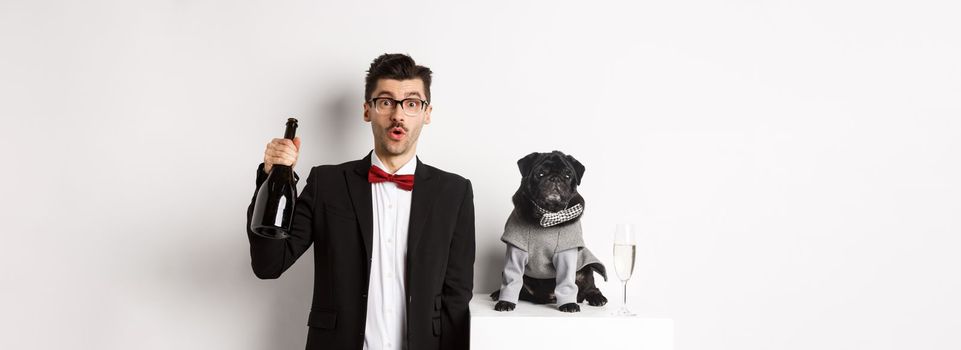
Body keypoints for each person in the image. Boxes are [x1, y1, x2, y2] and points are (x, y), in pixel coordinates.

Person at [246, 53, 475, 350]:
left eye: (412, 103)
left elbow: (456, 299)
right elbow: (268, 264)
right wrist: (269, 177)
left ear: (427, 113)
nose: (398, 115)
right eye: (385, 102)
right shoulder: (327, 184)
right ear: (367, 110)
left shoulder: (454, 193)